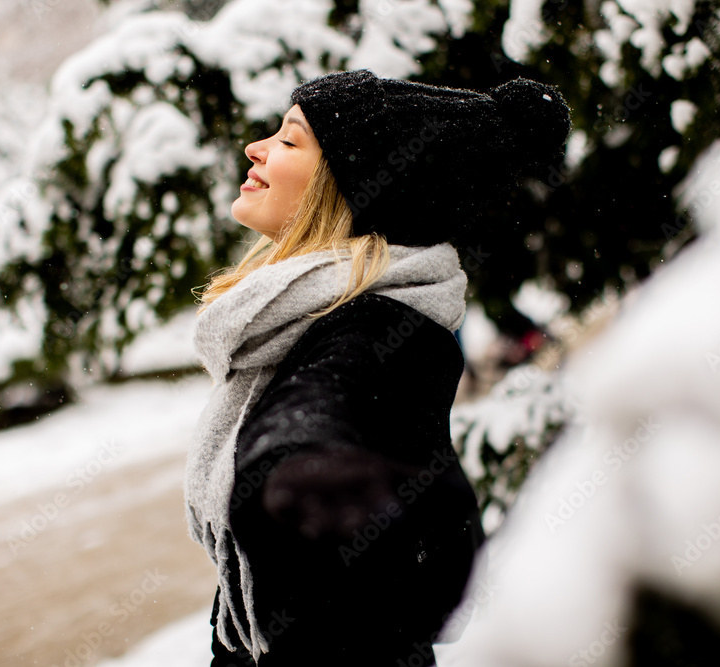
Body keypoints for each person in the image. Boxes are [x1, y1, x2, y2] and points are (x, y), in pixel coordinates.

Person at [184, 69, 571, 666]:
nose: (255, 149)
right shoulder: (305, 315)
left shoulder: (384, 331)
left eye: (289, 141)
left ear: (352, 189)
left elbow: (330, 403)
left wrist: (300, 463)